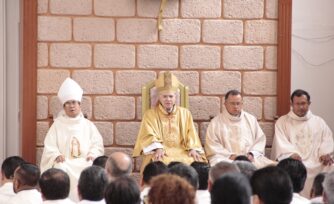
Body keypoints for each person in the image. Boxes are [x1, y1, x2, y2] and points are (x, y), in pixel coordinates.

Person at [40, 77, 104, 201]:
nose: (71, 106)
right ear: (64, 106)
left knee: (91, 167)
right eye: (68, 103)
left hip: (85, 161)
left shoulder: (88, 125)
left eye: (74, 102)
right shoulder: (57, 125)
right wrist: (56, 155)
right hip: (65, 163)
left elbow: (97, 145)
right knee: (59, 168)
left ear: (79, 104)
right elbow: (50, 146)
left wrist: (93, 154)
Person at [133, 72, 206, 173]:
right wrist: (157, 148)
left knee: (195, 161)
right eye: (165, 96)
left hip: (183, 150)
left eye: (171, 96)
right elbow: (148, 135)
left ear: (175, 97)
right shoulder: (150, 114)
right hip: (162, 151)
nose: (168, 99)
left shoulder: (185, 113)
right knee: (159, 163)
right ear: (159, 97)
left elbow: (191, 134)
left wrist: (192, 148)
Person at [271, 89, 334, 197]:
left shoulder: (319, 121)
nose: (301, 107)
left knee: (331, 166)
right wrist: (291, 154)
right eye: (297, 104)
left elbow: (327, 139)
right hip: (295, 160)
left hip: (317, 161)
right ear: (292, 104)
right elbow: (281, 142)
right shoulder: (283, 121)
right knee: (292, 168)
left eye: (303, 103)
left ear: (309, 103)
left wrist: (325, 153)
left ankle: (322, 199)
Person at [205, 90, 274, 168]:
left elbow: (260, 140)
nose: (236, 106)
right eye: (232, 103)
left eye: (238, 103)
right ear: (225, 104)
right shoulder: (216, 122)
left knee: (271, 167)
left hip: (249, 159)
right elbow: (213, 145)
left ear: (242, 104)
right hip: (226, 158)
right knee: (219, 165)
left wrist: (251, 154)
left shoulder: (251, 119)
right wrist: (231, 156)